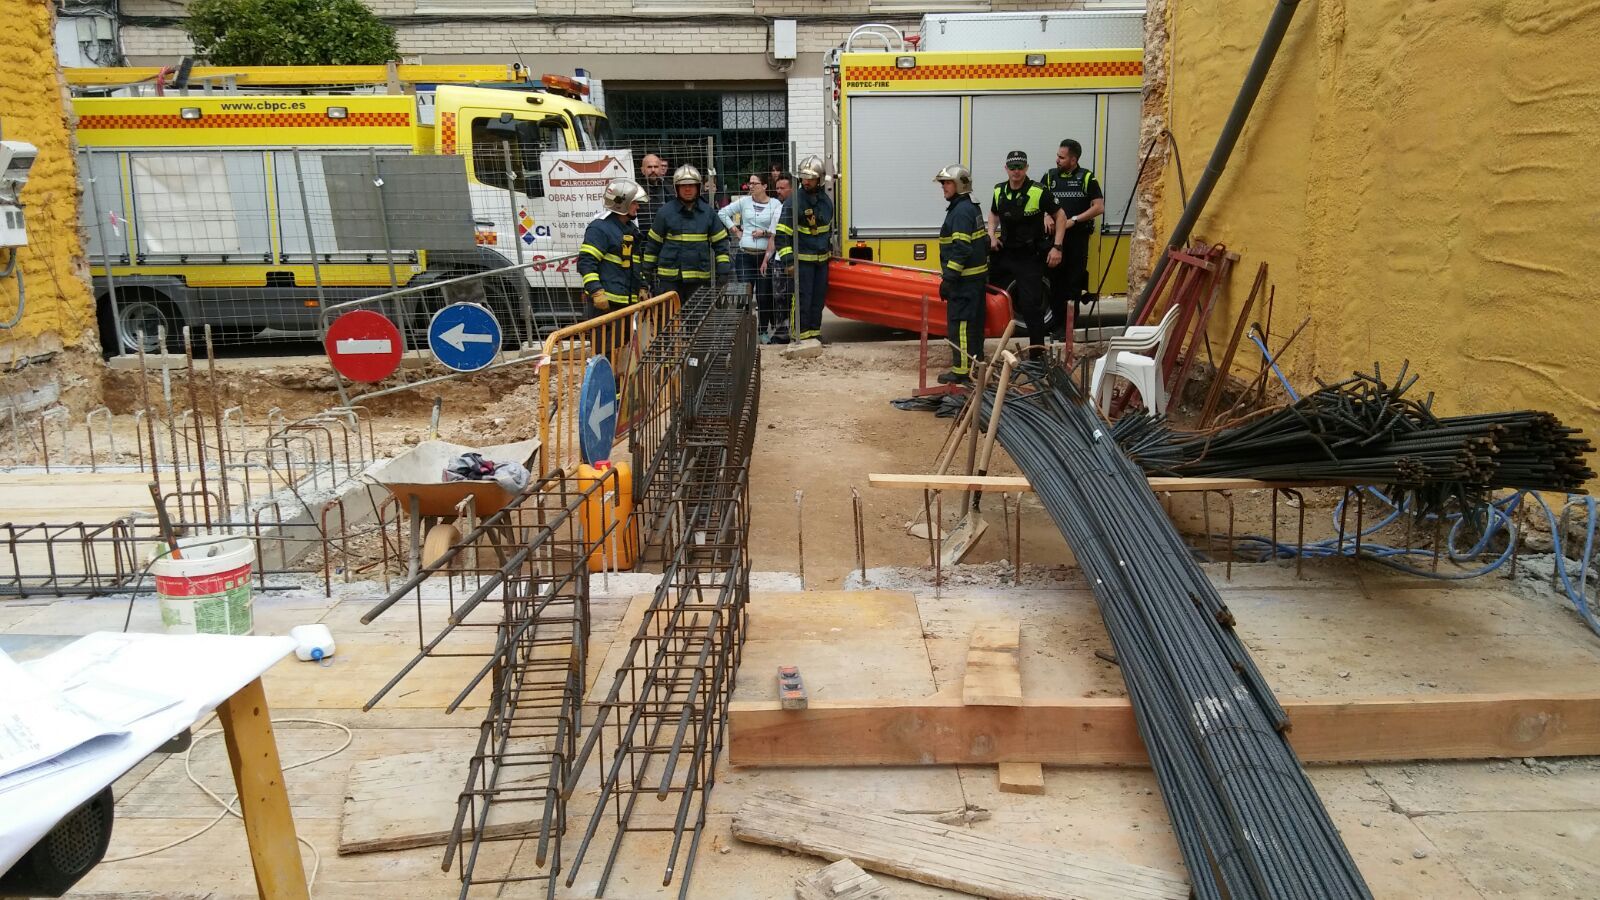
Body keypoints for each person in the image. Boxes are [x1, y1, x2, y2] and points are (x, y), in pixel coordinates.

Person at [988, 149, 1065, 351]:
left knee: (1031, 307)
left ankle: (1037, 357)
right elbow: (993, 213)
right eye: (1012, 167)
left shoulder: (1038, 191)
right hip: (1005, 253)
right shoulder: (999, 190)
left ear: (1026, 168)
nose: (1016, 171)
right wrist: (990, 235)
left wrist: (1057, 247)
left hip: (1029, 257)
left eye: (1020, 167)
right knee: (985, 295)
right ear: (1006, 169)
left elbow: (1061, 216)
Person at [1041, 138, 1105, 333]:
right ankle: (1054, 326)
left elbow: (1099, 207)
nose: (1057, 160)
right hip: (1053, 241)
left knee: (1073, 285)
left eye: (1062, 157)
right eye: (1057, 156)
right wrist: (1045, 215)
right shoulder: (1050, 177)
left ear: (1073, 159)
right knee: (1054, 285)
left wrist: (1074, 220)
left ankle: (1067, 330)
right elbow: (1038, 200)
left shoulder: (1086, 178)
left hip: (1077, 239)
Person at [642, 164, 731, 303]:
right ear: (677, 188)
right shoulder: (665, 213)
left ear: (698, 187)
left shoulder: (708, 213)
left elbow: (721, 245)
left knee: (697, 322)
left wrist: (723, 271)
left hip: (699, 280)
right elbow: (653, 246)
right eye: (683, 186)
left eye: (691, 185)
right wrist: (646, 274)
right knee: (669, 322)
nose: (688, 189)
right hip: (669, 281)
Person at [934, 164, 988, 385]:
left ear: (960, 184)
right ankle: (976, 367)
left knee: (961, 327)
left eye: (947, 183)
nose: (943, 187)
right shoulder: (969, 207)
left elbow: (962, 248)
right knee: (973, 327)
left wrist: (949, 279)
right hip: (973, 281)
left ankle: (962, 372)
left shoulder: (960, 211)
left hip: (964, 283)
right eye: (943, 183)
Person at [773, 156, 834, 344]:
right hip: (802, 262)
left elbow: (827, 232)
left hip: (821, 262)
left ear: (820, 179)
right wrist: (789, 262)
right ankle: (799, 336)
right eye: (804, 177)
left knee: (817, 301)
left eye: (811, 178)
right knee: (802, 300)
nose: (806, 181)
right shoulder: (794, 202)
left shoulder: (826, 202)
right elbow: (782, 235)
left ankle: (813, 334)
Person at [719, 173, 783, 340]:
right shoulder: (745, 202)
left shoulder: (775, 204)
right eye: (750, 183)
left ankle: (762, 331)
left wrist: (764, 233)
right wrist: (736, 230)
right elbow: (722, 213)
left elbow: (776, 229)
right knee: (744, 293)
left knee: (763, 295)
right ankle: (743, 330)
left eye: (755, 183)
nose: (751, 186)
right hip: (744, 255)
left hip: (764, 256)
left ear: (764, 186)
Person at [578, 179, 649, 317]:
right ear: (622, 203)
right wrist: (596, 292)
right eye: (634, 203)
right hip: (604, 304)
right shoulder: (599, 229)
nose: (638, 207)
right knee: (604, 339)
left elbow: (635, 263)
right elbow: (586, 263)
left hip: (625, 302)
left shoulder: (630, 230)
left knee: (624, 339)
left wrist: (642, 286)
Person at [763, 173, 795, 343]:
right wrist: (766, 258)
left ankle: (797, 331)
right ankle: (781, 333)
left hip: (795, 260)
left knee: (795, 297)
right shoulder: (778, 209)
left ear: (792, 188)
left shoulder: (797, 207)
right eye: (777, 188)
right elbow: (773, 237)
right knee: (779, 297)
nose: (778, 191)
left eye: (783, 188)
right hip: (779, 261)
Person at [637, 152, 671, 234]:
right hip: (643, 235)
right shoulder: (636, 189)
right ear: (642, 170)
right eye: (649, 167)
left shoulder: (668, 188)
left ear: (660, 169)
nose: (653, 170)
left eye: (656, 167)